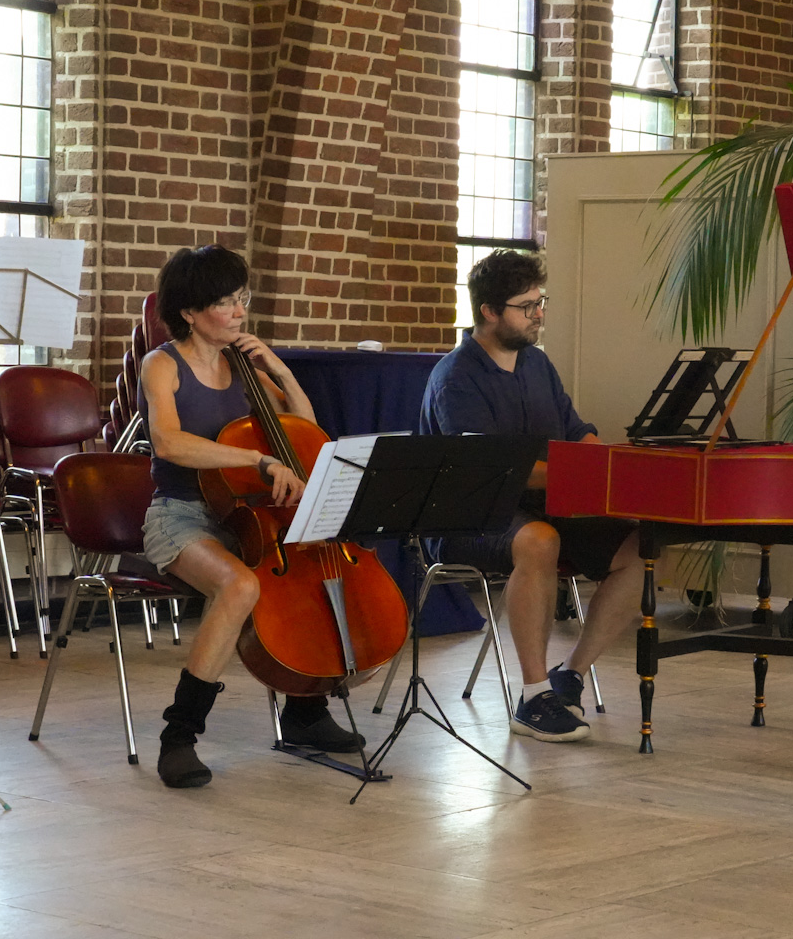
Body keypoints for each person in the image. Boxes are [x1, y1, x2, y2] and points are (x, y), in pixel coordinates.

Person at [138, 244, 364, 788]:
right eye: (225, 302)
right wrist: (254, 459)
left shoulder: (243, 366)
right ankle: (180, 736)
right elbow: (169, 443)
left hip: (246, 513)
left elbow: (303, 430)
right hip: (181, 515)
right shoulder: (162, 364)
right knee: (240, 586)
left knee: (303, 577)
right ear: (190, 311)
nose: (239, 312)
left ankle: (305, 712)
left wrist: (280, 369)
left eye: (242, 299)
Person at [419, 249, 644, 743]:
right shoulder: (455, 377)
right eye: (526, 306)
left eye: (541, 302)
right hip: (467, 517)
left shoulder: (537, 364)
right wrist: (583, 477)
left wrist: (604, 464)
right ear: (490, 312)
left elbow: (575, 431)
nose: (538, 314)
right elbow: (496, 473)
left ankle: (570, 676)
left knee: (638, 546)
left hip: (542, 505)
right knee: (539, 541)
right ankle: (533, 696)